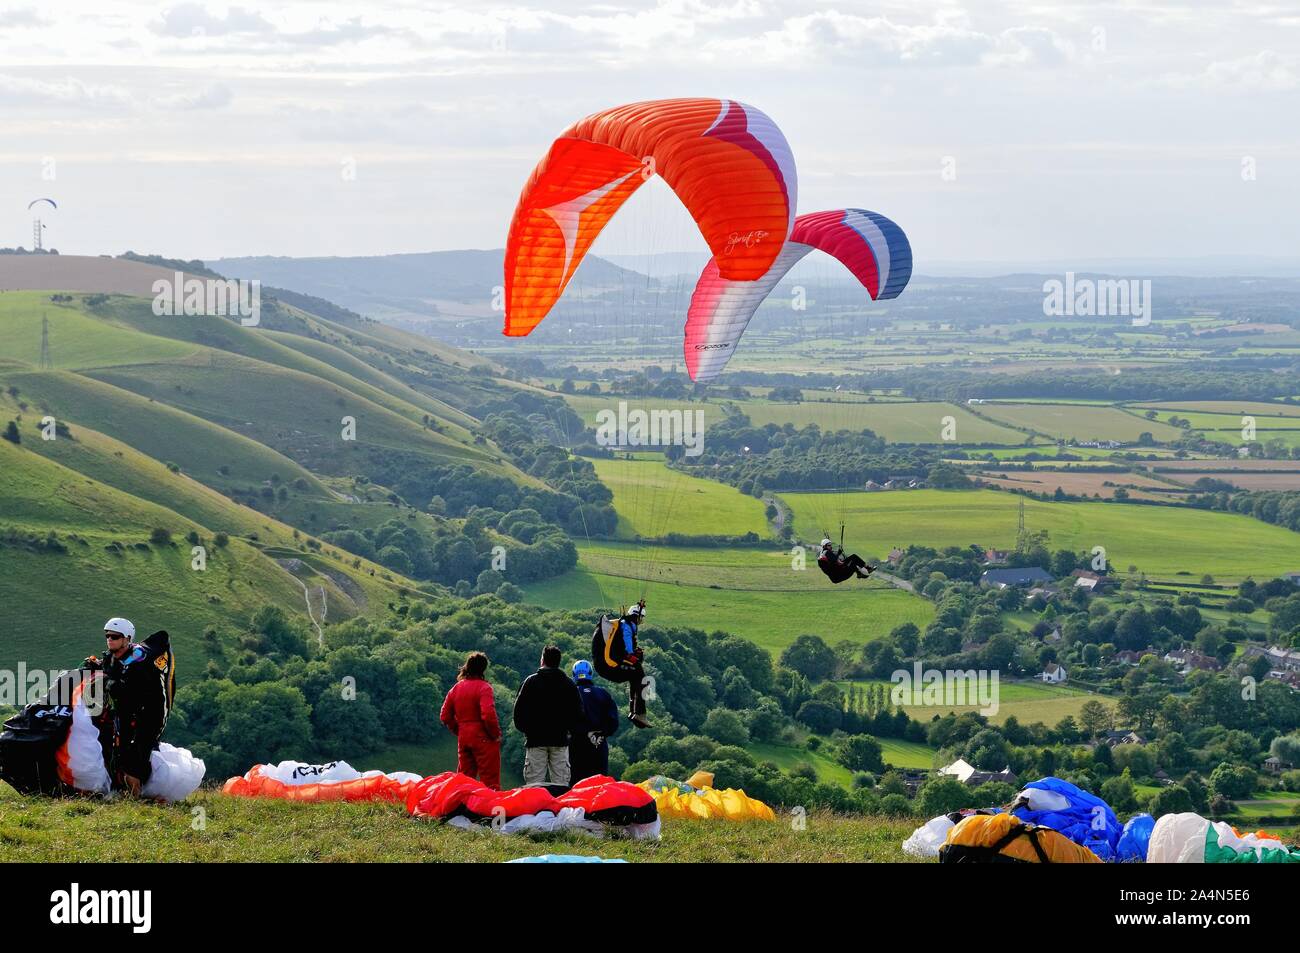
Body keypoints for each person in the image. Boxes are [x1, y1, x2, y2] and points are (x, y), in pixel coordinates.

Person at [84, 618, 170, 796]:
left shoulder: (140, 661)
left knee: (132, 764)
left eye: (115, 636)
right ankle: (124, 793)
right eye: (107, 636)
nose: (110, 639)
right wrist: (97, 666)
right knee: (117, 756)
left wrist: (109, 682)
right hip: (125, 715)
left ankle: (136, 804)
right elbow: (113, 671)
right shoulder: (113, 658)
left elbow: (131, 691)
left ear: (127, 639)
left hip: (149, 716)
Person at [513, 645, 584, 787]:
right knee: (561, 786)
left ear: (542, 660)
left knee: (534, 786)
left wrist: (528, 731)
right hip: (560, 741)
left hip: (535, 740)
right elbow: (579, 714)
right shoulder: (569, 684)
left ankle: (536, 809)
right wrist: (568, 731)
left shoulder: (530, 682)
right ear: (559, 661)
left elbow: (518, 712)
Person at [439, 651, 501, 789]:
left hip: (464, 737)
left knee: (463, 780)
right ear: (483, 669)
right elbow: (488, 714)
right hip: (483, 737)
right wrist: (495, 735)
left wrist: (459, 730)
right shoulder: (484, 687)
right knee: (490, 781)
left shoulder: (456, 688)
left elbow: (444, 716)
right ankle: (489, 809)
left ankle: (460, 806)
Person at [569, 660, 619, 783]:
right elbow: (613, 723)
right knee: (599, 785)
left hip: (576, 747)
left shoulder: (570, 694)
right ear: (590, 673)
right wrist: (602, 733)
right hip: (598, 746)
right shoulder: (603, 694)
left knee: (576, 785)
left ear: (574, 675)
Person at [613, 603, 651, 729]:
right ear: (638, 616)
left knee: (636, 679)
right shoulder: (628, 625)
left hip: (618, 656)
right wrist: (631, 654)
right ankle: (639, 713)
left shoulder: (625, 622)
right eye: (641, 618)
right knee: (643, 679)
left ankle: (633, 712)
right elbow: (626, 638)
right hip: (620, 658)